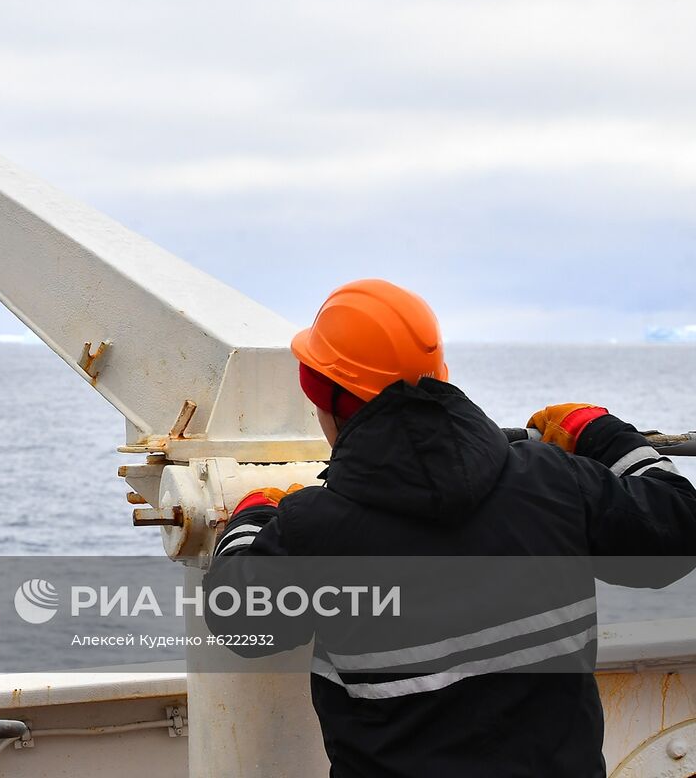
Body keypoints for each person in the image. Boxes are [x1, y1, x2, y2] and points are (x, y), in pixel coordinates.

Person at [205, 279, 696, 777]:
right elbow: (678, 530)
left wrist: (254, 516)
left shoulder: (314, 532)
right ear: (440, 376)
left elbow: (239, 621)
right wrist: (603, 435)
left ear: (319, 391)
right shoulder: (552, 478)